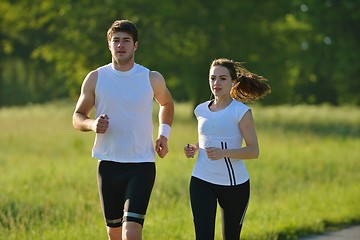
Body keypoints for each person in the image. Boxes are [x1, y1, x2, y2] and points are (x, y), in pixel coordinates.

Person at [72, 20, 174, 240]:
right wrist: (92, 124)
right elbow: (77, 117)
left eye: (126, 41)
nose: (120, 45)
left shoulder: (151, 77)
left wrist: (163, 136)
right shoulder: (95, 78)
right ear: (109, 45)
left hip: (141, 165)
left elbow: (167, 103)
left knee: (132, 232)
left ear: (135, 45)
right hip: (108, 165)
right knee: (114, 233)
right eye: (116, 40)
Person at [184, 58, 270, 240]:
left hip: (234, 185)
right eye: (212, 78)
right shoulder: (201, 110)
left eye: (222, 78)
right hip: (202, 179)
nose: (216, 83)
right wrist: (194, 148)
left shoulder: (241, 111)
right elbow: (207, 141)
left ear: (233, 81)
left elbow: (254, 151)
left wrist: (224, 153)